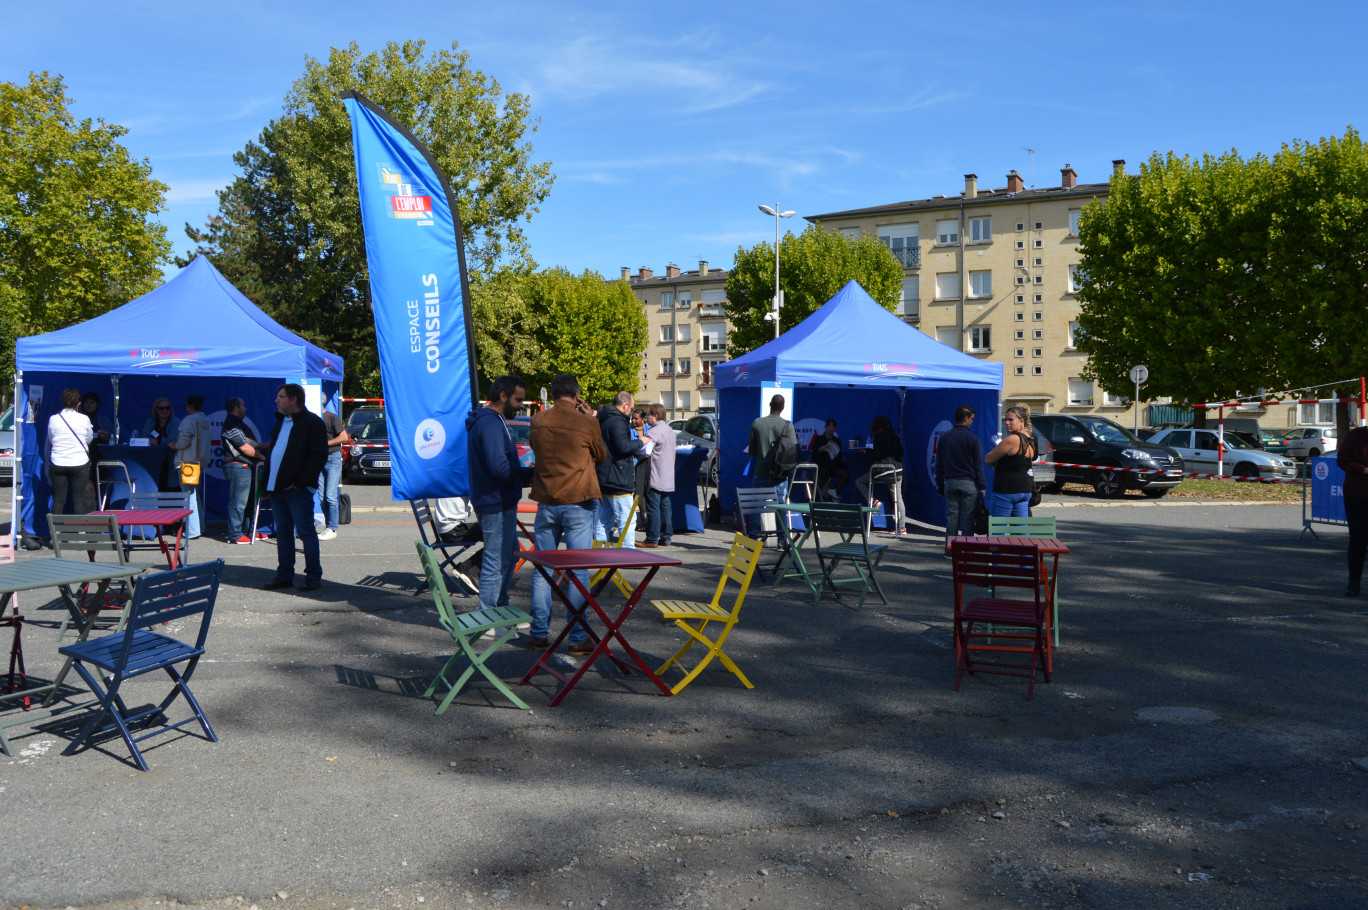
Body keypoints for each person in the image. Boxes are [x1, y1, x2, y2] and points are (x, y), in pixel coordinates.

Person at [528, 373, 607, 653]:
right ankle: (576, 638)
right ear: (576, 396)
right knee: (578, 573)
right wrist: (590, 417)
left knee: (543, 571)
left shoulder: (537, 421)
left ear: (552, 392)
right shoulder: (587, 422)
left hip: (547, 500)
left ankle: (538, 633)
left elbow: (537, 451)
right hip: (578, 500)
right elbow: (601, 456)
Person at [466, 375, 533, 617]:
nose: (521, 405)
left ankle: (499, 609)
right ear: (503, 396)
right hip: (495, 502)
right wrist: (528, 474)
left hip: (496, 500)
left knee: (507, 557)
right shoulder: (491, 423)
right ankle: (489, 616)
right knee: (496, 562)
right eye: (518, 400)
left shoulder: (491, 420)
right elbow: (498, 468)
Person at [259, 384, 328, 592]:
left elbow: (318, 457)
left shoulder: (313, 423)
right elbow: (273, 454)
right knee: (283, 533)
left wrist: (300, 483)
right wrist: (266, 486)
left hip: (296, 489)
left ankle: (313, 576)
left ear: (294, 399)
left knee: (306, 533)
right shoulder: (281, 422)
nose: (276, 400)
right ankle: (284, 575)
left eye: (280, 396)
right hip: (278, 488)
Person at [935, 405, 987, 544]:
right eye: (972, 419)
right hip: (968, 483)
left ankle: (949, 550)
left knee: (952, 518)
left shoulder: (944, 438)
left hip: (950, 482)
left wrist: (940, 485)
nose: (972, 421)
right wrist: (982, 486)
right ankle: (966, 549)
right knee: (968, 518)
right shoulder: (973, 439)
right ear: (966, 418)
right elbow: (978, 465)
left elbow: (939, 465)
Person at [594, 392, 639, 547]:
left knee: (602, 520)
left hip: (603, 476)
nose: (631, 412)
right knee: (626, 520)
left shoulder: (603, 418)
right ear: (625, 405)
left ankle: (599, 553)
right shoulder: (618, 421)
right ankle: (627, 554)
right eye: (631, 408)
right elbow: (623, 447)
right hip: (618, 478)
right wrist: (641, 442)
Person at [221, 397, 265, 544]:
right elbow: (245, 448)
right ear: (235, 408)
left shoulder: (239, 424)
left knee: (250, 502)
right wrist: (262, 458)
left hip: (247, 467)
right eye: (243, 405)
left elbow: (252, 444)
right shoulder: (231, 425)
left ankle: (250, 532)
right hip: (238, 467)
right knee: (238, 502)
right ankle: (235, 535)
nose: (245, 408)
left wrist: (266, 446)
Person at [170, 395, 213, 540]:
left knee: (189, 497)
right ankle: (201, 527)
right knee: (195, 496)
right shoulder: (205, 421)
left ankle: (193, 530)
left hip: (186, 463)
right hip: (199, 463)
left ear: (189, 407)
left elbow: (183, 443)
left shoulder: (188, 421)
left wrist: (174, 445)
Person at [46, 387, 94, 515]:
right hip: (79, 462)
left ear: (62, 401)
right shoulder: (84, 419)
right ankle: (80, 532)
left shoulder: (53, 419)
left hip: (58, 462)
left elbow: (51, 439)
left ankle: (55, 533)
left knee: (58, 499)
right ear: (79, 403)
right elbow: (88, 439)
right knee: (79, 499)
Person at [985, 405, 1039, 518]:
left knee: (998, 530)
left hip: (1006, 489)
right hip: (1025, 489)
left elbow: (988, 459)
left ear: (1021, 421)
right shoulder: (1032, 438)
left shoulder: (1012, 439)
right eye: (1006, 419)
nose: (1007, 422)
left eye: (1011, 419)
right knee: (1020, 530)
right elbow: (1030, 459)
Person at [857, 416, 907, 535]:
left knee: (859, 481)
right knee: (898, 498)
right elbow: (901, 452)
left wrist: (864, 451)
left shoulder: (878, 436)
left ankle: (873, 501)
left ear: (876, 426)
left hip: (883, 471)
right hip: (898, 472)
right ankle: (902, 527)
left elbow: (876, 455)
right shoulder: (895, 436)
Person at [1337, 423, 1368, 597]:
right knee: (1357, 541)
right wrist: (1363, 470)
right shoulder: (1356, 435)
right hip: (1357, 495)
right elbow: (1342, 459)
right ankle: (1354, 583)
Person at [640, 403, 677, 548]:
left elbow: (645, 451)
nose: (646, 417)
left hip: (655, 473)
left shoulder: (654, 432)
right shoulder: (670, 430)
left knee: (653, 507)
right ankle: (666, 537)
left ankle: (652, 538)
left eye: (648, 414)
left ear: (655, 416)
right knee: (665, 507)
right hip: (667, 475)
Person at [749, 394, 797, 500]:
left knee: (756, 509)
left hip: (760, 471)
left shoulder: (757, 423)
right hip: (779, 473)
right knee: (781, 510)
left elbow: (751, 449)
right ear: (783, 408)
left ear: (770, 405)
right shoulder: (788, 426)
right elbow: (793, 450)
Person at [317, 406, 349, 541]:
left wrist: (326, 443)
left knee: (330, 496)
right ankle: (328, 527)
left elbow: (344, 437)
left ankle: (332, 528)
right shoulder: (311, 418)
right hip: (318, 460)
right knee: (321, 497)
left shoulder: (330, 417)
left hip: (332, 459)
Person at [631, 408, 651, 533]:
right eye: (632, 418)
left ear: (642, 419)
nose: (633, 421)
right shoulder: (629, 430)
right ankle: (644, 519)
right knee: (639, 492)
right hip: (636, 462)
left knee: (648, 490)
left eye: (636, 418)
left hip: (649, 462)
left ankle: (651, 519)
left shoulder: (650, 429)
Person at [809, 418, 843, 492]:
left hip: (833, 465)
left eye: (833, 426)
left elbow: (840, 456)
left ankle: (834, 491)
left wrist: (836, 455)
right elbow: (814, 454)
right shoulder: (819, 439)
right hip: (822, 465)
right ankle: (824, 492)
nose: (831, 428)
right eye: (829, 426)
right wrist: (820, 449)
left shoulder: (837, 440)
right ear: (826, 427)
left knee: (846, 472)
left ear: (835, 428)